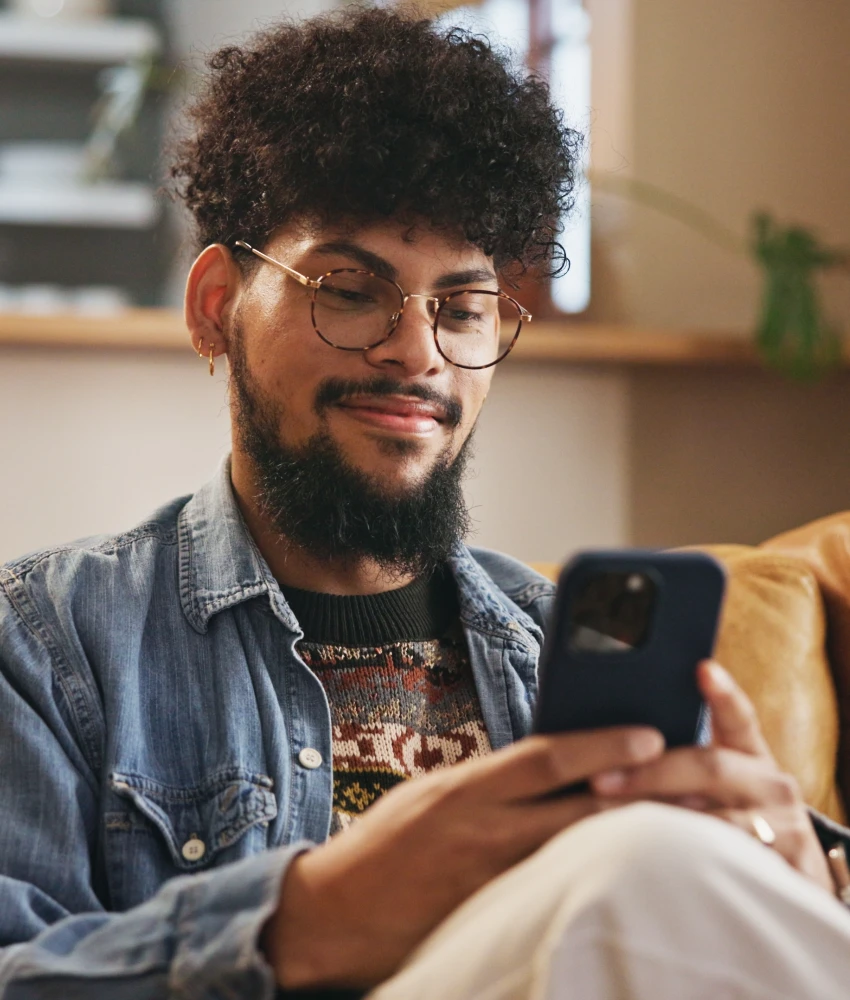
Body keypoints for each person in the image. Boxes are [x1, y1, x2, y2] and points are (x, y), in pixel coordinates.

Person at [1, 7, 850, 999]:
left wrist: (803, 879)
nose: (417, 354)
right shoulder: (50, 647)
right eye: (351, 289)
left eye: (462, 307)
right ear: (214, 307)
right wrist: (308, 919)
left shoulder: (567, 655)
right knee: (640, 866)